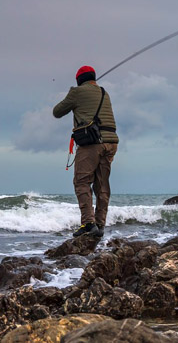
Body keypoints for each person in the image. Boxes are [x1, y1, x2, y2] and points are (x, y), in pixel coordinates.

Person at [53, 65, 118, 237]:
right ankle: (100, 225)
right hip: (111, 142)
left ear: (79, 80)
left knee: (81, 182)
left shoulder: (76, 92)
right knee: (102, 184)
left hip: (92, 142)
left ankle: (88, 224)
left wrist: (72, 92)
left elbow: (57, 112)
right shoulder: (104, 92)